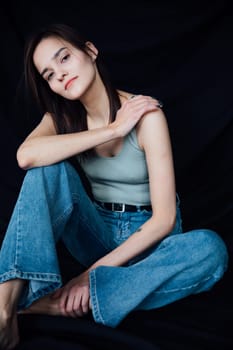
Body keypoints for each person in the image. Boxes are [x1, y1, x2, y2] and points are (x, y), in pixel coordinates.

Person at [0, 23, 228, 350]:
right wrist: (113, 130)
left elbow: (163, 222)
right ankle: (4, 309)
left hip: (150, 240)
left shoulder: (146, 114)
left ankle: (52, 303)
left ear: (90, 51)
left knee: (211, 249)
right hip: (97, 230)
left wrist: (85, 279)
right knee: (44, 172)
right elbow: (26, 157)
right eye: (49, 75)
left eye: (64, 58)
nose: (60, 75)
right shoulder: (60, 117)